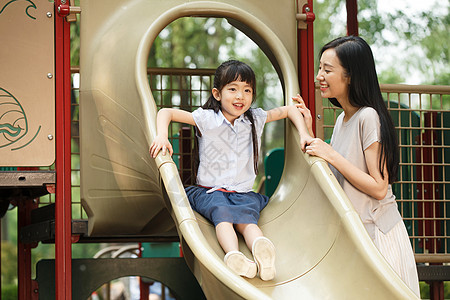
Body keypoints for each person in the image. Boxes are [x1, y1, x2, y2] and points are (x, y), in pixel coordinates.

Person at [150, 60, 313, 281]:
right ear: (217, 94)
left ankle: (262, 251)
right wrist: (161, 135)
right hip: (211, 192)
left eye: (247, 90)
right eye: (233, 89)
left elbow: (290, 110)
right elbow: (166, 112)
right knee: (223, 215)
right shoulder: (207, 119)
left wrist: (304, 133)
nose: (241, 96)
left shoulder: (255, 118)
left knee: (248, 220)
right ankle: (233, 254)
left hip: (242, 193)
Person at [295, 36, 420, 296]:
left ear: (350, 75)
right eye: (320, 68)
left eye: (327, 70)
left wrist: (329, 152)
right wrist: (307, 131)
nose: (320, 76)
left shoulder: (368, 117)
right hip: (358, 234)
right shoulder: (342, 119)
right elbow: (338, 177)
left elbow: (378, 187)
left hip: (378, 234)